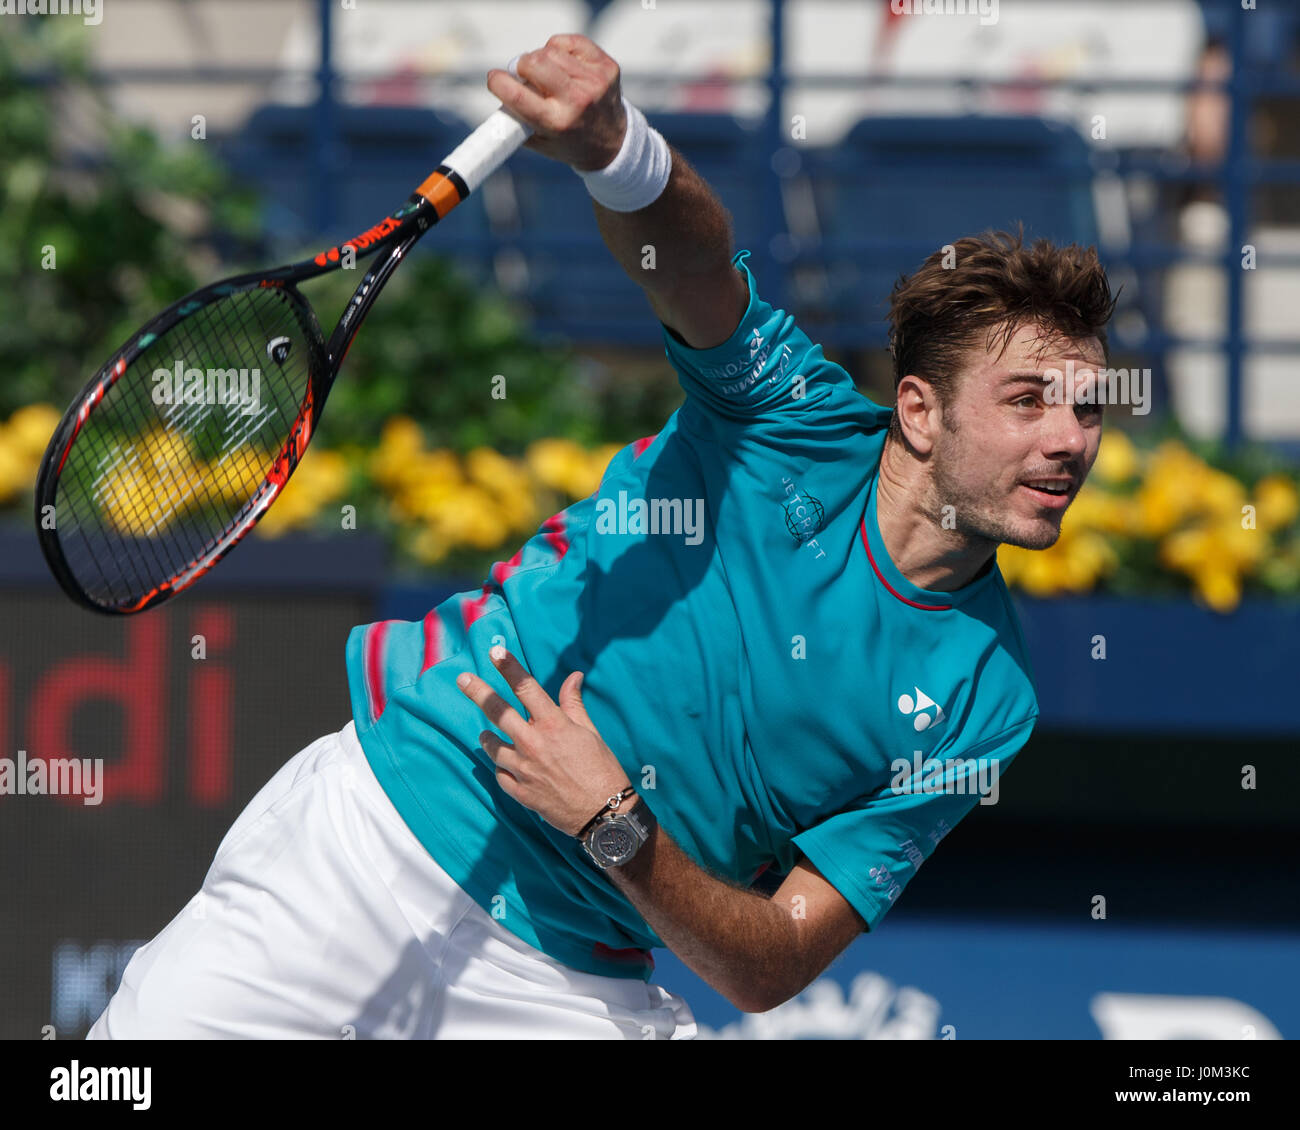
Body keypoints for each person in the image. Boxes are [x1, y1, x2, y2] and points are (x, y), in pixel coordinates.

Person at [89, 33, 1116, 1040]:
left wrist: (614, 822)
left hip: (567, 978)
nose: (1068, 440)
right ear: (920, 412)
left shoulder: (986, 699)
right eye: (1027, 400)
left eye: (1087, 408)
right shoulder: (786, 417)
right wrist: (618, 151)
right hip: (370, 840)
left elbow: (772, 961)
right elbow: (693, 263)